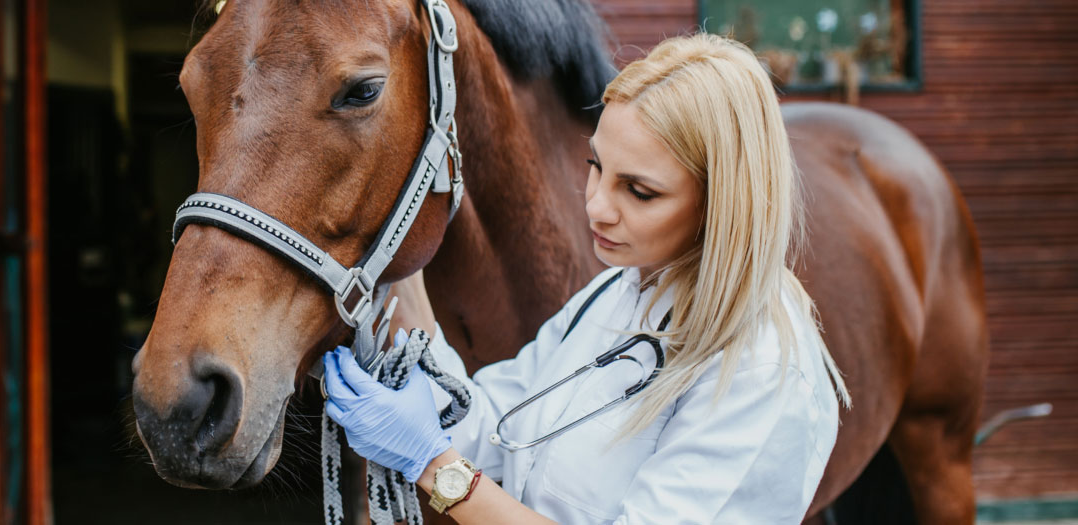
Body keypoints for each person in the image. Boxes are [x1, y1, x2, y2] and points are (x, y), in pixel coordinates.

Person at [321, 33, 852, 524]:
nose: (596, 206)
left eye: (639, 191)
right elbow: (492, 430)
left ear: (723, 203)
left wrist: (435, 467)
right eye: (596, 166)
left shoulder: (759, 371)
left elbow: (454, 460)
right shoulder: (617, 290)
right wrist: (401, 277)